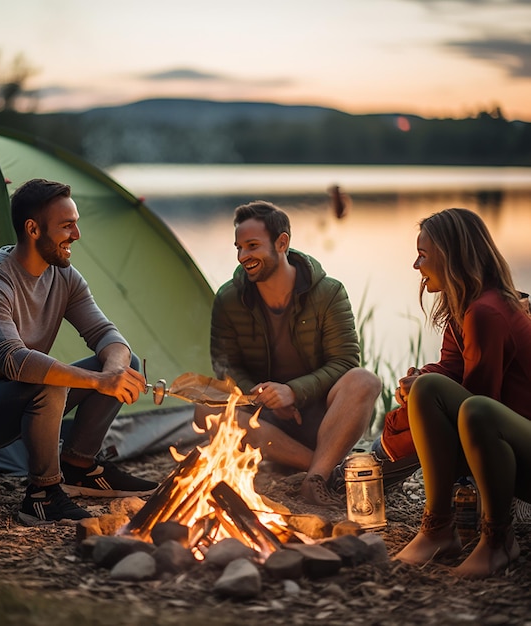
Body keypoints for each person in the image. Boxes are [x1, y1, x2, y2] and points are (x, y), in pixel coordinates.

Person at [0, 179, 158, 526]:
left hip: (20, 396)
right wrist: (100, 381)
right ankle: (41, 496)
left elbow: (106, 335)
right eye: (67, 226)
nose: (77, 235)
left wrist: (114, 372)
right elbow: (12, 360)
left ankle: (78, 467)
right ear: (33, 229)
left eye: (76, 223)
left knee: (124, 362)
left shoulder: (64, 277)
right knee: (49, 380)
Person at [194, 200, 382, 508]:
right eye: (239, 248)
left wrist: (293, 392)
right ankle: (321, 471)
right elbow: (225, 366)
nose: (244, 257)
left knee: (364, 381)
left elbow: (346, 362)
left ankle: (314, 478)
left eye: (252, 246)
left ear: (282, 243)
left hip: (323, 415)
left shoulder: (328, 293)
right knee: (205, 410)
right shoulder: (229, 298)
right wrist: (264, 396)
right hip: (267, 420)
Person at [393, 207, 531, 578]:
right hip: (512, 442)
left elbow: (480, 403)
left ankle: (498, 539)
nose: (416, 265)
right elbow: (452, 369)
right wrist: (419, 379)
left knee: (476, 412)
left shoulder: (487, 311)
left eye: (423, 255)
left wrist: (425, 400)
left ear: (452, 257)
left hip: (518, 446)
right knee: (430, 386)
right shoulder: (466, 306)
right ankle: (437, 529)